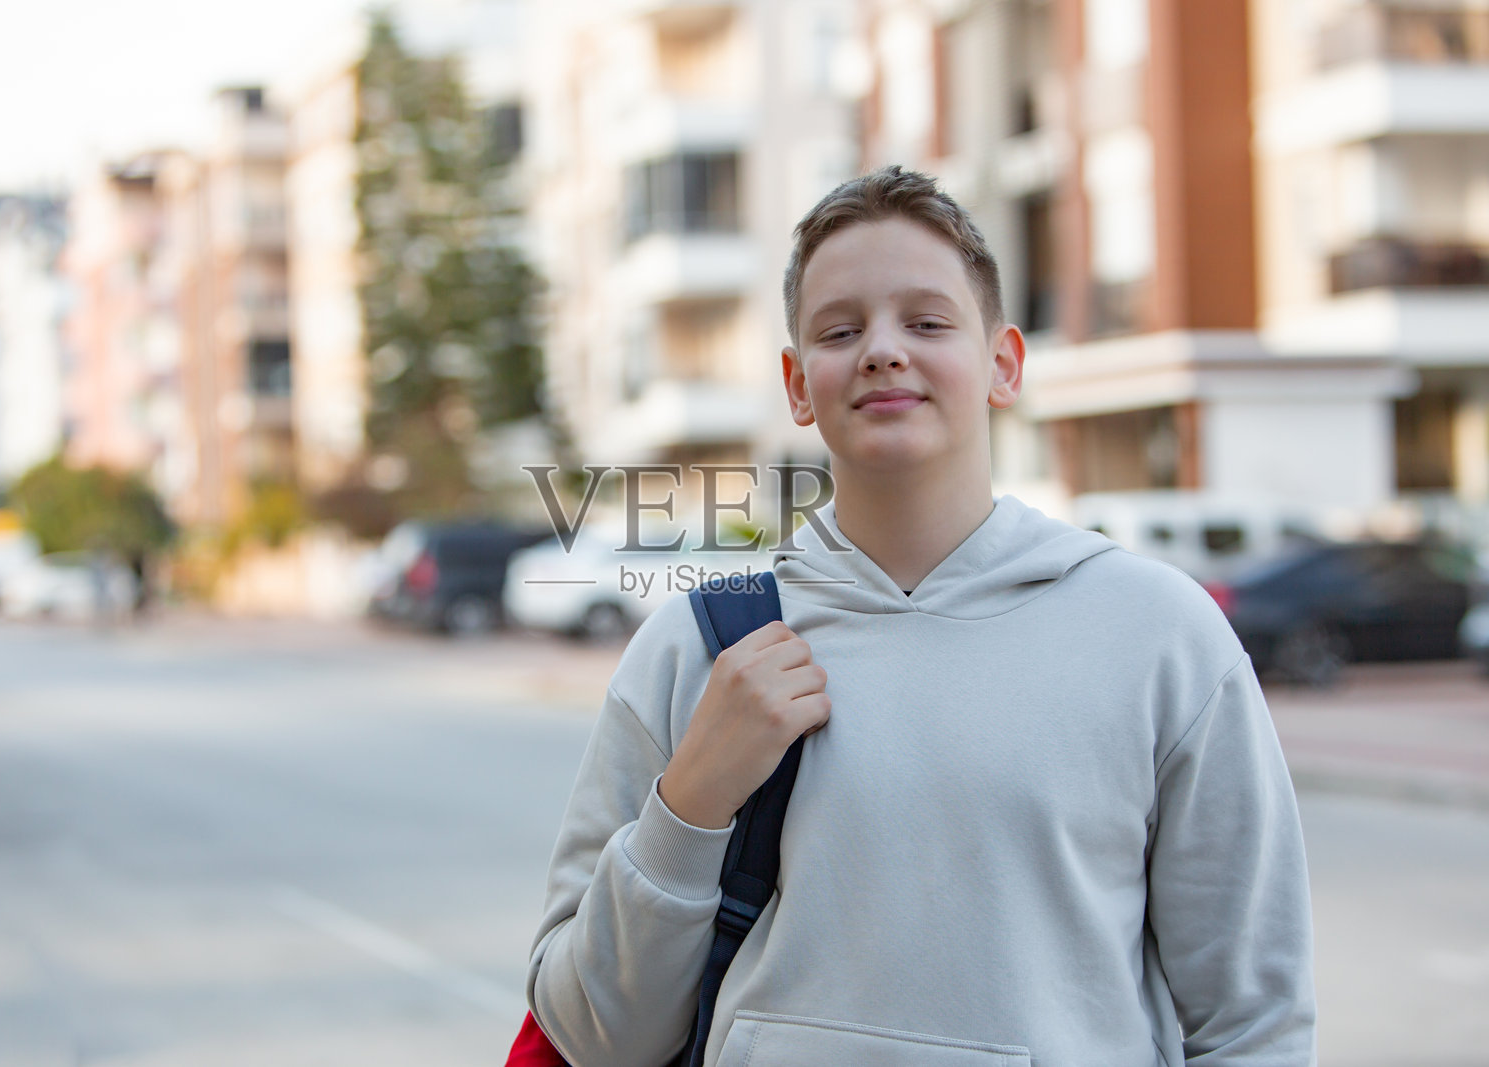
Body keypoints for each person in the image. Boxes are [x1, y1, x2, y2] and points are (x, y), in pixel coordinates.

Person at [525, 165, 1316, 1066]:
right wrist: (692, 801)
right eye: (840, 328)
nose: (883, 350)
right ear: (796, 383)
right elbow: (592, 1038)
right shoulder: (697, 651)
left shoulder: (1158, 635)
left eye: (928, 321)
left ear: (1003, 363)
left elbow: (1257, 1021)